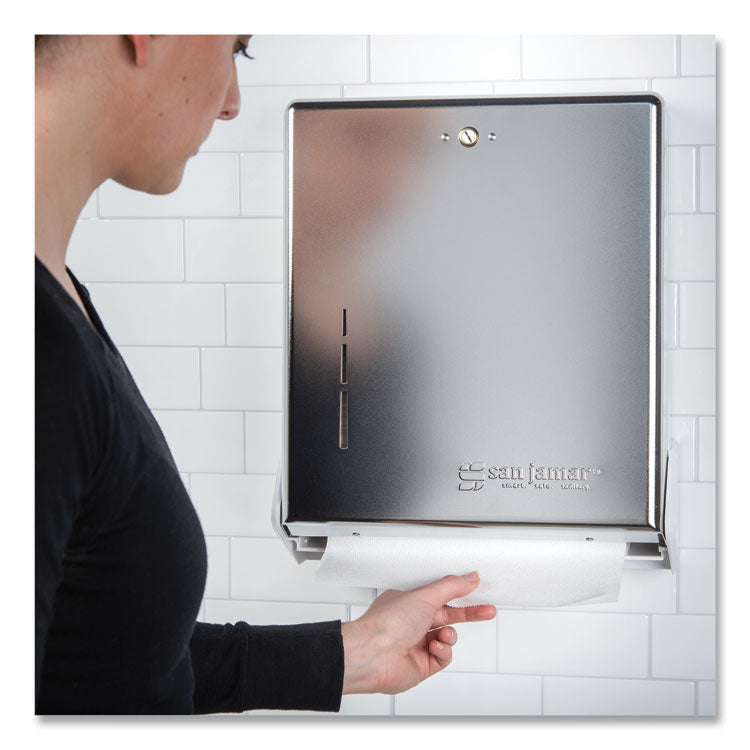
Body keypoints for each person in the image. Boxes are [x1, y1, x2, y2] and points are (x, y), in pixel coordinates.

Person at [35, 34, 497, 715]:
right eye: (236, 48)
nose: (231, 102)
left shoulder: (56, 301)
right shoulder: (35, 342)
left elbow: (103, 658)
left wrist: (356, 652)